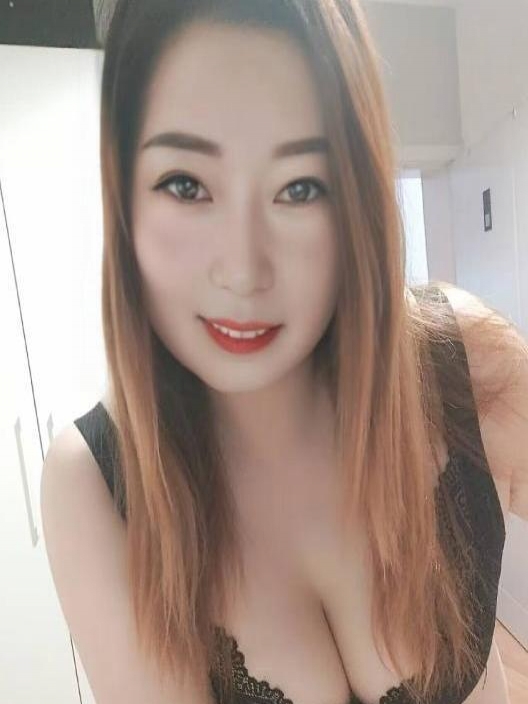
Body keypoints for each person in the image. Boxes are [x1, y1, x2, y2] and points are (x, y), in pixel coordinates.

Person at [40, 2, 528, 703]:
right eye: (187, 185)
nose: (242, 271)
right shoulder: (98, 485)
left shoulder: (466, 364)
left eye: (298, 187)